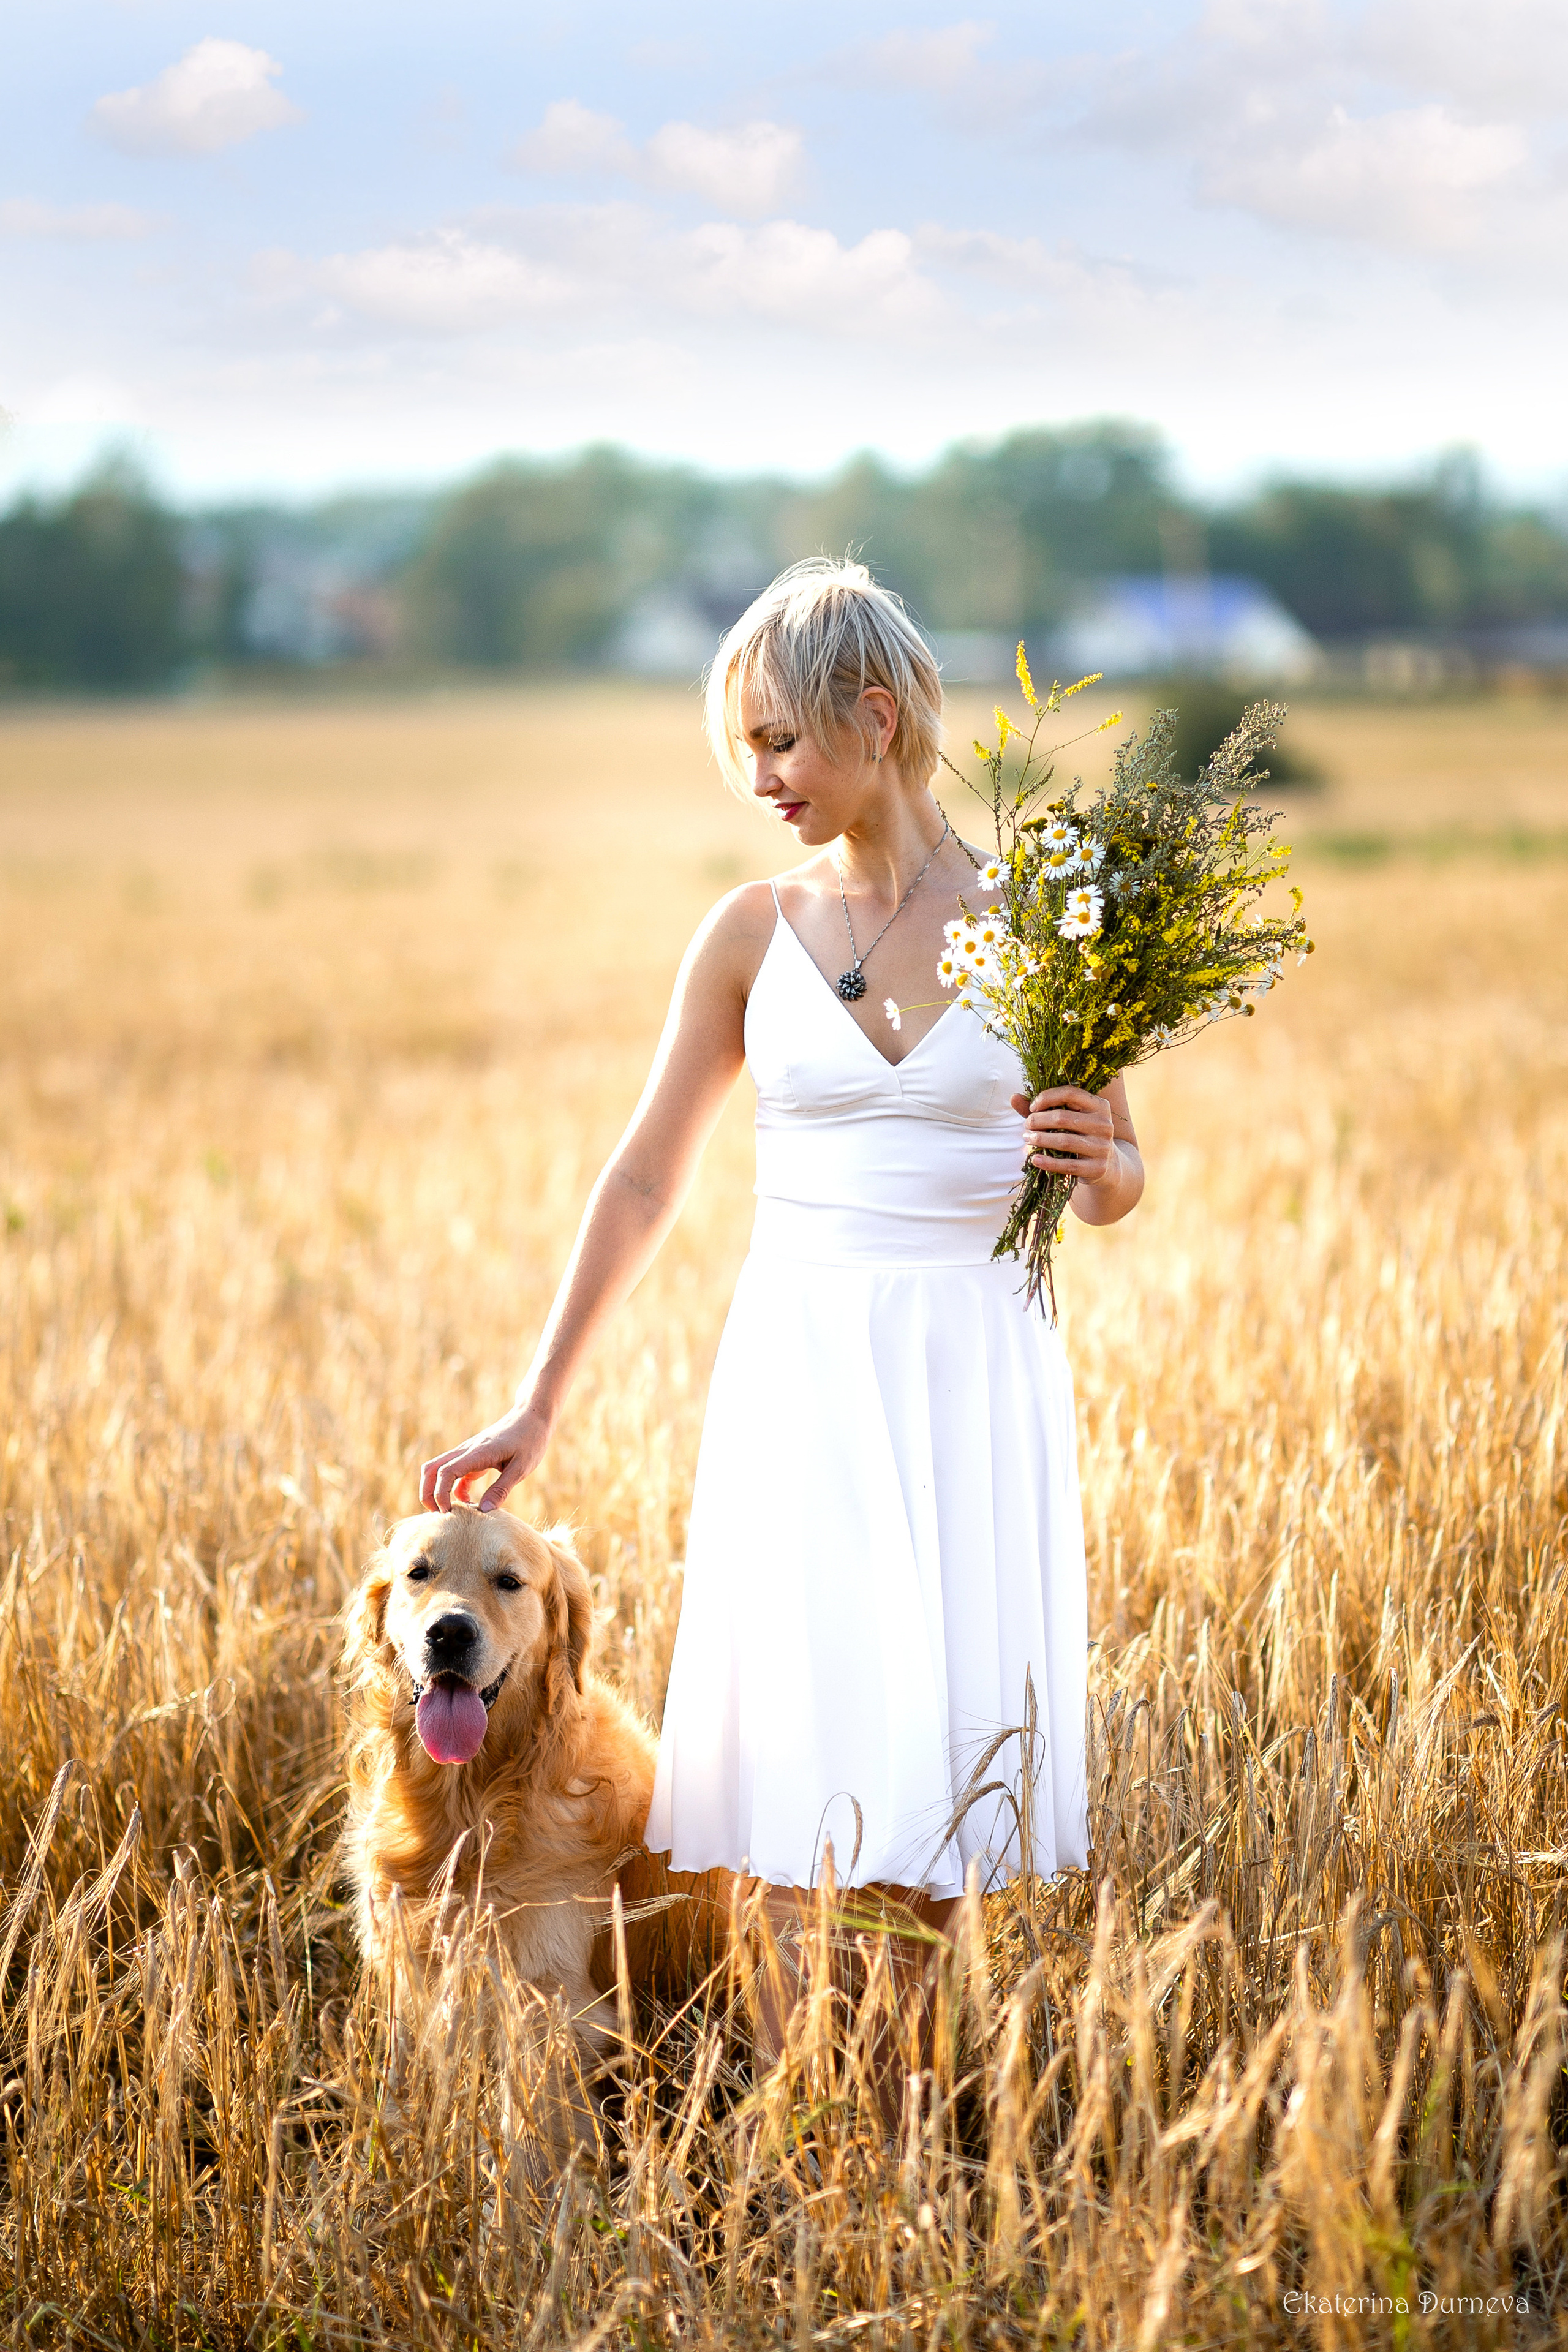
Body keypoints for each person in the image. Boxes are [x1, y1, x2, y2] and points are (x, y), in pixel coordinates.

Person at [420, 558, 1144, 2048]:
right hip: (799, 1379)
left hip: (970, 1375)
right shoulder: (747, 932)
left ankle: (898, 2131)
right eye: (740, 746)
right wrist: (539, 1397)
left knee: (938, 1789)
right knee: (797, 1783)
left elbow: (1117, 1174)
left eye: (776, 742)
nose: (755, 777)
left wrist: (1101, 1163)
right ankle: (824, 2142)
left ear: (873, 718)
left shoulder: (1051, 924)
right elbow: (640, 1178)